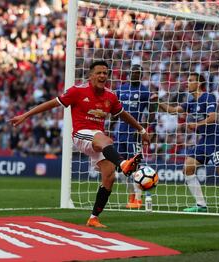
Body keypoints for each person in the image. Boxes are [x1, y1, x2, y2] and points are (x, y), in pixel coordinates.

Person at [10, 60, 150, 228]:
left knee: (109, 175)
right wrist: (25, 115)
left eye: (105, 73)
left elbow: (123, 114)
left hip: (97, 141)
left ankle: (93, 218)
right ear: (90, 76)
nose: (102, 76)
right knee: (106, 139)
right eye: (98, 72)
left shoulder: (110, 96)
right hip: (81, 135)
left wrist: (141, 130)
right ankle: (123, 163)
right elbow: (52, 103)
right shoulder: (77, 91)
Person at [156, 72, 219, 214]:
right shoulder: (191, 101)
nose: (187, 83)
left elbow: (213, 117)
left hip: (215, 139)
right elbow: (172, 111)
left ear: (199, 83)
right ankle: (200, 204)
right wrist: (157, 102)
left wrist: (196, 124)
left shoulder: (208, 97)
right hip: (203, 140)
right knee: (188, 168)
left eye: (190, 80)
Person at [114, 64, 155, 209]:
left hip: (134, 134)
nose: (135, 74)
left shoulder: (144, 92)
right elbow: (114, 109)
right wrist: (112, 127)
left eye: (138, 73)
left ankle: (138, 199)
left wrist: (143, 127)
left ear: (141, 75)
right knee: (120, 169)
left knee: (136, 167)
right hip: (120, 133)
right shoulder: (121, 89)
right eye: (133, 72)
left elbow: (151, 112)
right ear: (129, 73)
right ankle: (131, 195)